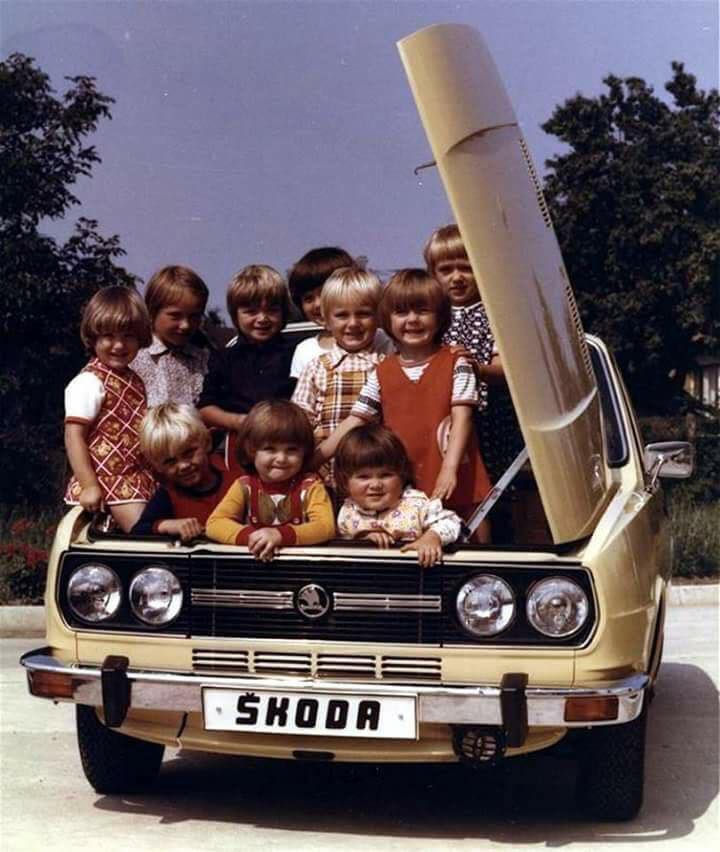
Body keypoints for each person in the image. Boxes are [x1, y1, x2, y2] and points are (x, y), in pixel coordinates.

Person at [316, 269, 491, 534]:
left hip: (455, 472)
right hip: (404, 481)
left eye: (422, 311)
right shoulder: (382, 371)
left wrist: (449, 469)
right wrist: (312, 460)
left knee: (472, 542)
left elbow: (462, 418)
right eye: (401, 312)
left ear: (440, 316)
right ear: (387, 319)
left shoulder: (457, 362)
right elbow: (355, 419)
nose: (412, 320)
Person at [424, 224, 521, 483]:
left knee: (490, 486)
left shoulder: (496, 314)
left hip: (488, 418)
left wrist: (473, 367)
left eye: (466, 267)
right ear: (433, 274)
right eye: (445, 270)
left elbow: (503, 371)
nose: (456, 277)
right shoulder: (428, 316)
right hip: (441, 419)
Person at [64, 286, 155, 532]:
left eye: (127, 336)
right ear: (93, 338)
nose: (118, 345)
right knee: (146, 534)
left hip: (137, 479)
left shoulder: (134, 380)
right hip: (108, 483)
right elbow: (74, 437)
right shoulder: (89, 382)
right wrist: (90, 485)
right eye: (108, 336)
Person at [291, 266, 392, 489]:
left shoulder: (388, 365)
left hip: (377, 475)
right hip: (325, 473)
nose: (353, 323)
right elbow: (300, 421)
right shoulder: (316, 368)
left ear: (378, 317)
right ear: (326, 320)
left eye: (363, 313)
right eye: (342, 315)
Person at [206, 400, 335, 560]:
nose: (281, 458)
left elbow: (325, 527)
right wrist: (255, 538)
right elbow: (215, 523)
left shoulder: (310, 485)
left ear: (304, 451)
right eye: (270, 449)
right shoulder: (244, 485)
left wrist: (279, 535)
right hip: (255, 565)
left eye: (291, 450)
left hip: (299, 568)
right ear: (252, 450)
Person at [198, 265, 296, 462]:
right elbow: (205, 409)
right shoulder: (223, 358)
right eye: (251, 311)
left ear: (283, 313)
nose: (262, 318)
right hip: (240, 446)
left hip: (287, 447)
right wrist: (239, 422)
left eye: (272, 310)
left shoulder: (296, 353)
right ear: (235, 315)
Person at [335, 424, 461, 567]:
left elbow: (452, 522)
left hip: (416, 580)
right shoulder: (347, 512)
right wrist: (363, 540)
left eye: (385, 475)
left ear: (402, 475)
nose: (375, 484)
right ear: (345, 481)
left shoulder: (416, 504)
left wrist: (432, 537)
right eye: (364, 477)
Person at [132, 403, 239, 541]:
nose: (183, 466)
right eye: (170, 461)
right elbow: (137, 532)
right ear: (158, 466)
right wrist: (166, 525)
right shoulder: (168, 494)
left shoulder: (238, 484)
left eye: (188, 453)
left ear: (207, 442)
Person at [130, 265, 210, 407]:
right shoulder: (133, 358)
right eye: (175, 316)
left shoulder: (204, 360)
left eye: (194, 316)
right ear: (152, 312)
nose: (185, 325)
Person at [288, 246, 354, 378]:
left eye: (324, 292)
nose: (318, 304)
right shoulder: (305, 351)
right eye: (308, 298)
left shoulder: (380, 340)